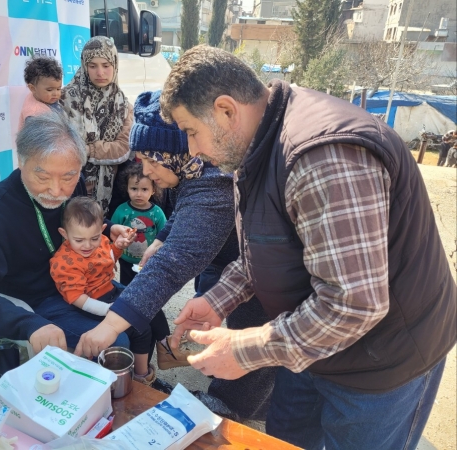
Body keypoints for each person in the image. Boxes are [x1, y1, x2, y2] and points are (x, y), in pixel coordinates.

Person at [160, 45, 456, 450]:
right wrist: (218, 301)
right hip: (310, 340)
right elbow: (268, 246)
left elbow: (355, 304)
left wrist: (245, 350)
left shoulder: (320, 159)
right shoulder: (257, 141)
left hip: (383, 360)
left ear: (227, 110)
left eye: (191, 130)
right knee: (288, 440)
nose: (192, 150)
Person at [74, 91, 276, 420]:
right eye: (141, 160)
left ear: (177, 152)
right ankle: (257, 397)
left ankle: (231, 410)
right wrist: (163, 237)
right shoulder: (194, 169)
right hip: (241, 265)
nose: (147, 172)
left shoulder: (214, 183)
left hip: (260, 274)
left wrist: (109, 326)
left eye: (153, 161)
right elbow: (187, 210)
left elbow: (172, 266)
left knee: (250, 332)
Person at [0, 112, 135, 354]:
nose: (56, 190)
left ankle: (143, 378)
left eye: (68, 177)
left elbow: (78, 217)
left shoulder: (75, 184)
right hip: (38, 301)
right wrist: (29, 325)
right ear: (21, 162)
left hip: (84, 280)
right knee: (115, 342)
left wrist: (108, 225)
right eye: (42, 176)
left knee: (142, 307)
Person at [49, 196, 157, 384]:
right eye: (79, 240)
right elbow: (77, 299)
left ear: (102, 230)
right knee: (124, 334)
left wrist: (117, 248)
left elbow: (107, 259)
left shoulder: (101, 242)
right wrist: (109, 310)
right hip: (91, 305)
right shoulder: (63, 263)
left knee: (144, 323)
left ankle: (143, 378)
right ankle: (119, 379)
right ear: (64, 234)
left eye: (94, 238)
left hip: (110, 292)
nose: (88, 245)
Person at [61, 36, 133, 213]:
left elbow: (123, 148)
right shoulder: (66, 98)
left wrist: (88, 150)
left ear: (115, 65)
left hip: (110, 191)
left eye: (106, 65)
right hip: (70, 185)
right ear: (84, 66)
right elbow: (64, 145)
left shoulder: (123, 104)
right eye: (92, 66)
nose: (100, 72)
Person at [110, 162, 167, 285]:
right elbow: (111, 235)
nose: (139, 194)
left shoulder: (157, 213)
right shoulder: (121, 210)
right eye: (134, 189)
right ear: (127, 188)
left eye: (144, 189)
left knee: (146, 288)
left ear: (153, 190)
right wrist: (111, 257)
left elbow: (164, 235)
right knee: (126, 287)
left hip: (149, 261)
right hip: (126, 260)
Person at [18, 56, 65, 130]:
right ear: (32, 88)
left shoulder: (43, 98)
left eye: (58, 89)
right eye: (49, 90)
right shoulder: (34, 114)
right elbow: (36, 140)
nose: (55, 94)